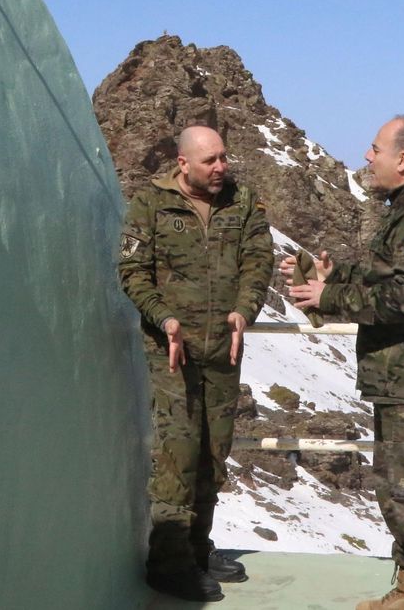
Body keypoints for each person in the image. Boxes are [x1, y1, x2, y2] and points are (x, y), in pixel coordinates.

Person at [285, 115, 404, 610]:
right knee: (395, 488)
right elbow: (389, 272)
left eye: (375, 149)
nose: (368, 157)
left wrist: (332, 295)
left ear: (403, 160)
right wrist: (336, 273)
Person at [118, 125, 274, 602]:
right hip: (173, 355)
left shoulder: (242, 202)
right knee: (178, 457)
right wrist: (163, 319)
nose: (221, 167)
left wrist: (244, 310)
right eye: (210, 161)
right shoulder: (150, 206)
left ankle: (196, 550)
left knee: (213, 452)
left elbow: (258, 261)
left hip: (222, 352)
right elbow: (131, 270)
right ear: (183, 163)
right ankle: (167, 563)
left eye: (223, 157)